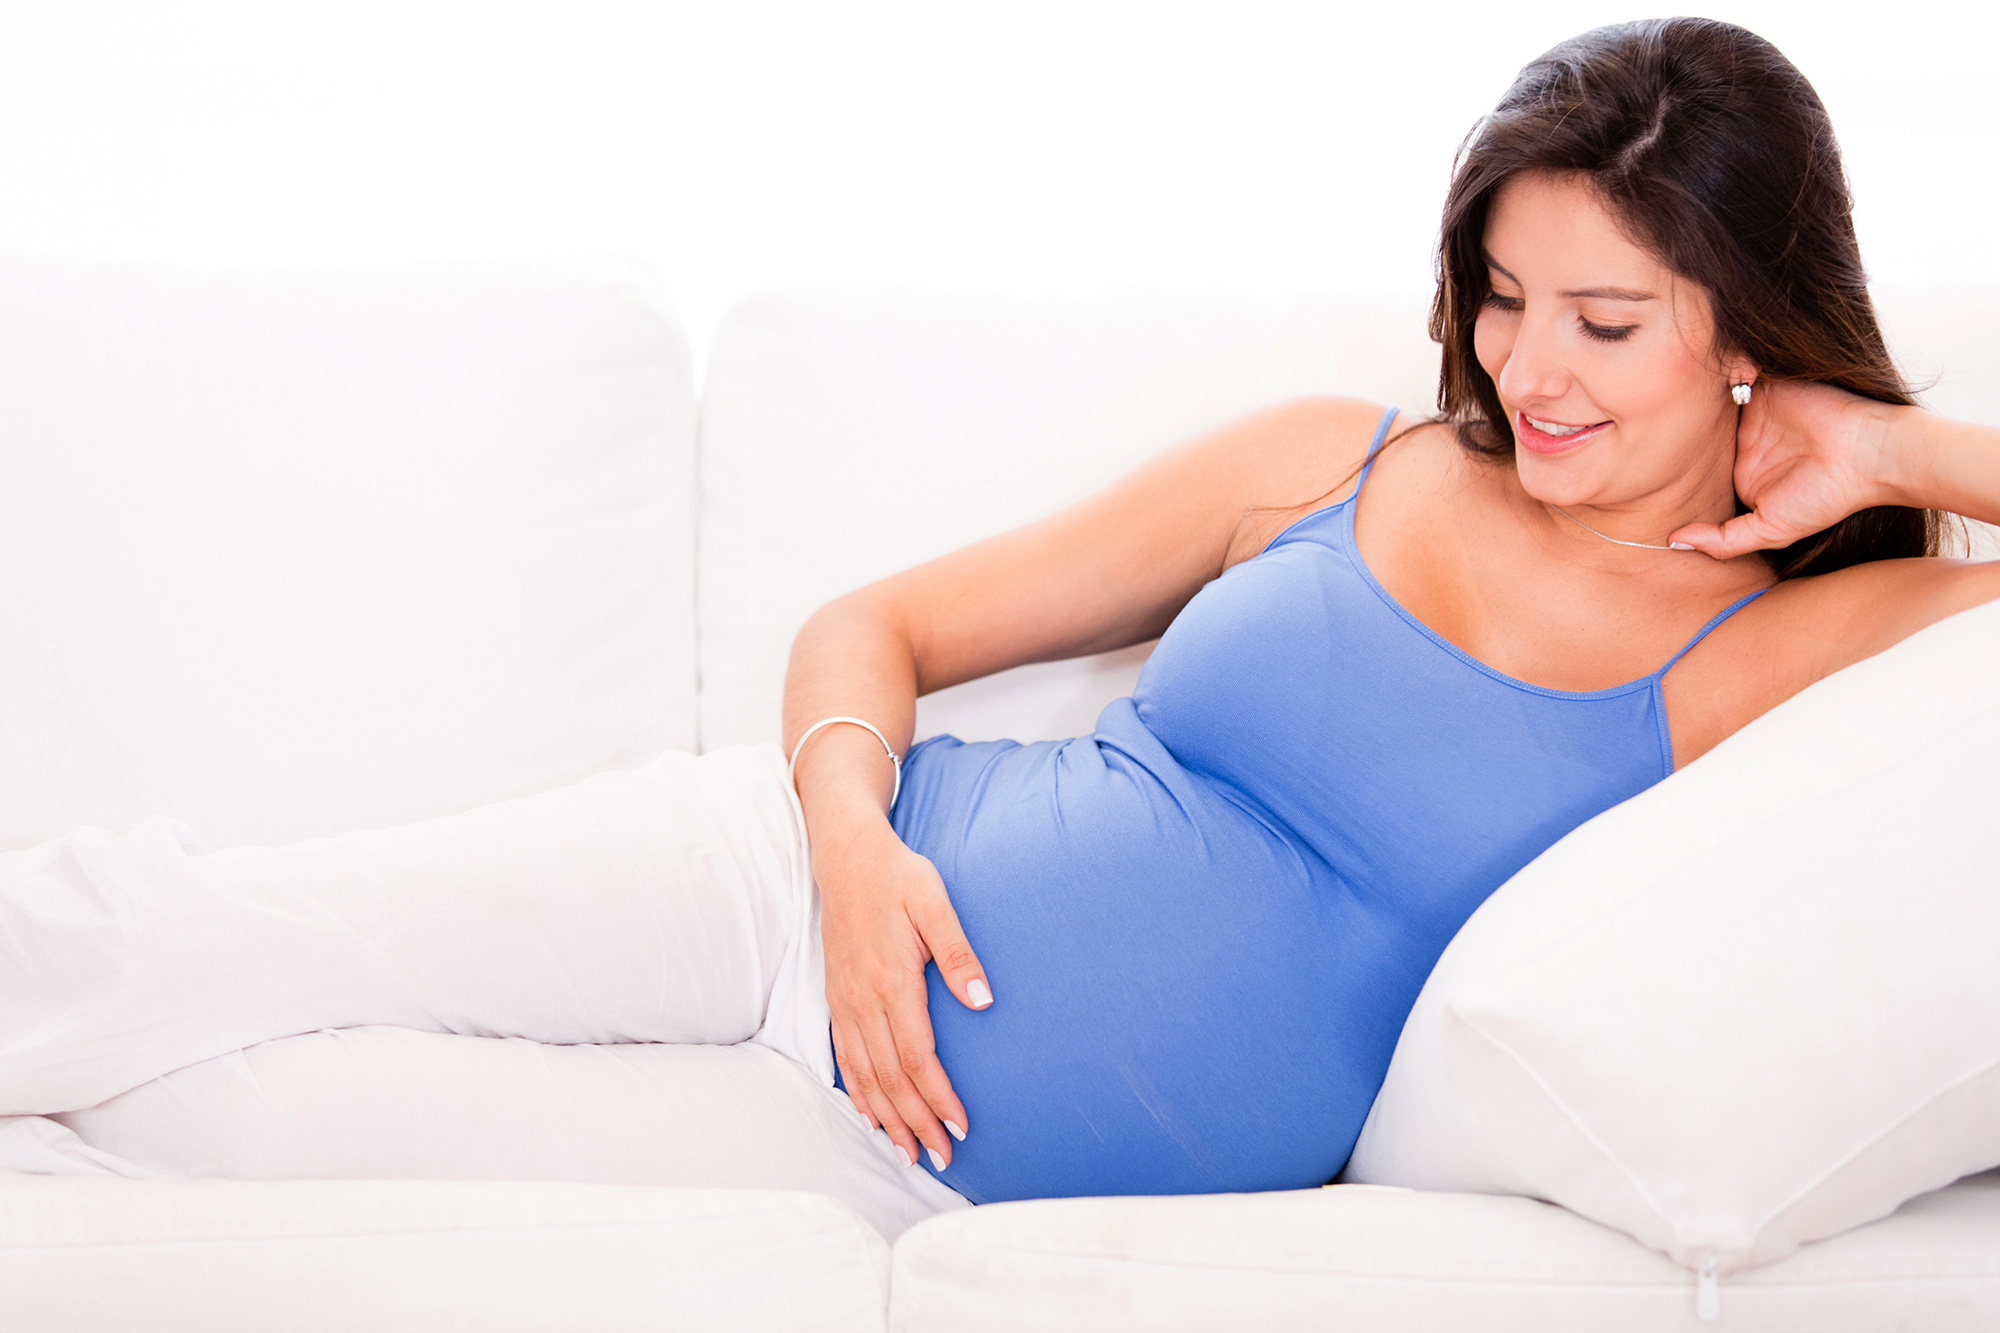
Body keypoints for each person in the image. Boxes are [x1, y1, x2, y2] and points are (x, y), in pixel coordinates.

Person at [7, 16, 1999, 1238]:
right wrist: (857, 864)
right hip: (792, 880)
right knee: (219, 937)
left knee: (234, 1121)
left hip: (897, 1156)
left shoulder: (1759, 657)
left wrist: (1895, 436)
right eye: (1498, 291)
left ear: (1746, 330)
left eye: (1608, 321)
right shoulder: (1333, 457)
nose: (1529, 366)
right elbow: (875, 622)